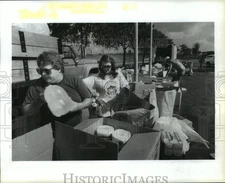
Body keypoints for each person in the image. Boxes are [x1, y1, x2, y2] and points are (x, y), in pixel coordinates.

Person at [22, 51, 93, 137]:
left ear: (59, 68)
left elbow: (88, 99)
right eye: (40, 71)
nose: (43, 74)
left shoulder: (73, 80)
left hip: (75, 129)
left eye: (47, 71)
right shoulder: (36, 86)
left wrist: (77, 106)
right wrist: (39, 100)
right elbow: (26, 111)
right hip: (51, 134)